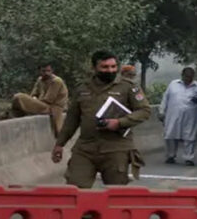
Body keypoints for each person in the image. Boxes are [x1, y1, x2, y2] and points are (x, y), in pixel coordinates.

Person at [52, 51, 151, 187]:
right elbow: (72, 119)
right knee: (75, 189)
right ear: (94, 68)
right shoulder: (82, 88)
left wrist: (119, 123)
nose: (110, 70)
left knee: (115, 194)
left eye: (113, 67)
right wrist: (59, 144)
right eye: (104, 67)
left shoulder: (128, 87)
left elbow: (144, 111)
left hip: (116, 148)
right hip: (85, 148)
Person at [159, 67, 197, 166]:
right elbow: (165, 98)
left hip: (191, 116)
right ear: (182, 76)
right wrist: (161, 111)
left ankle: (189, 158)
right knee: (170, 135)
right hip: (173, 115)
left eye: (190, 77)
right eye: (186, 77)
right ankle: (170, 156)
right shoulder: (173, 84)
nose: (188, 79)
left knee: (190, 136)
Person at [12, 62, 69, 135]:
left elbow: (48, 100)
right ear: (39, 71)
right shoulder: (40, 80)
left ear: (52, 71)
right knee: (17, 99)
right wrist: (33, 99)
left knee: (19, 97)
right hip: (42, 104)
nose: (46, 73)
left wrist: (35, 100)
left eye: (48, 71)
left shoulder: (56, 81)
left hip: (52, 107)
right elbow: (33, 94)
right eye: (43, 71)